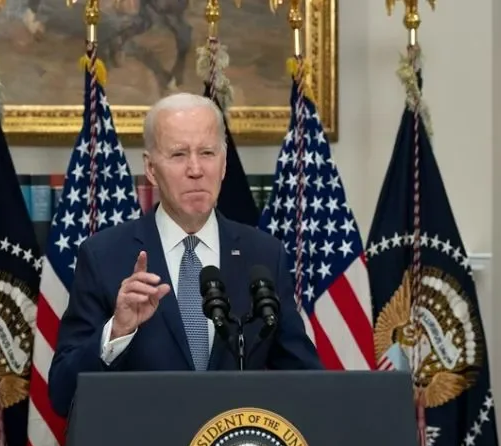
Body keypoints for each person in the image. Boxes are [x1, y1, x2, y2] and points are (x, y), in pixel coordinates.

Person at [47, 92, 323, 418]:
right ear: (151, 169)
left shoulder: (263, 255)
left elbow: (308, 383)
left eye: (207, 153)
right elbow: (63, 394)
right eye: (178, 154)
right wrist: (117, 331)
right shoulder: (105, 256)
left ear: (223, 164)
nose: (195, 169)